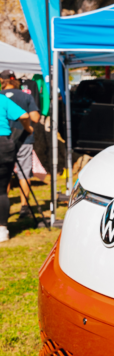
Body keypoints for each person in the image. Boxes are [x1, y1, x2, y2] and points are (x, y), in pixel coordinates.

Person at [0, 70, 40, 218]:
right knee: (24, 172)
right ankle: (24, 207)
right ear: (15, 80)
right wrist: (27, 126)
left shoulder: (1, 97)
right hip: (23, 139)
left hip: (3, 141)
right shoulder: (26, 95)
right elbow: (35, 118)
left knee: (4, 175)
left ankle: (3, 207)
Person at [0, 91, 34, 242]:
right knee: (1, 191)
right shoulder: (2, 99)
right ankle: (2, 229)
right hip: (3, 144)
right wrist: (27, 129)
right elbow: (25, 116)